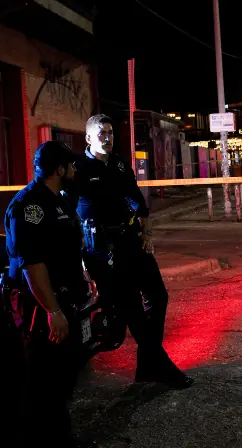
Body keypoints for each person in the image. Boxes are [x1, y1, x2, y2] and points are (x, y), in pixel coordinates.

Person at [70, 114, 193, 389]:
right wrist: (79, 257)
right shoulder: (77, 169)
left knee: (158, 296)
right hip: (102, 251)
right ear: (89, 138)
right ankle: (159, 367)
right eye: (102, 133)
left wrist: (147, 232)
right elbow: (67, 215)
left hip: (131, 240)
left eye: (111, 132)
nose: (108, 137)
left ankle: (149, 364)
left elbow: (137, 199)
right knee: (133, 310)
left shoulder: (120, 163)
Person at [4, 141, 93, 448]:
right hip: (41, 304)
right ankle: (47, 439)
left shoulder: (60, 200)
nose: (75, 171)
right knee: (44, 379)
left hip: (65, 297)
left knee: (64, 372)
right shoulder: (29, 207)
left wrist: (83, 277)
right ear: (60, 170)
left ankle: (57, 433)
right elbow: (32, 265)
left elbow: (67, 248)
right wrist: (52, 310)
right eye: (71, 166)